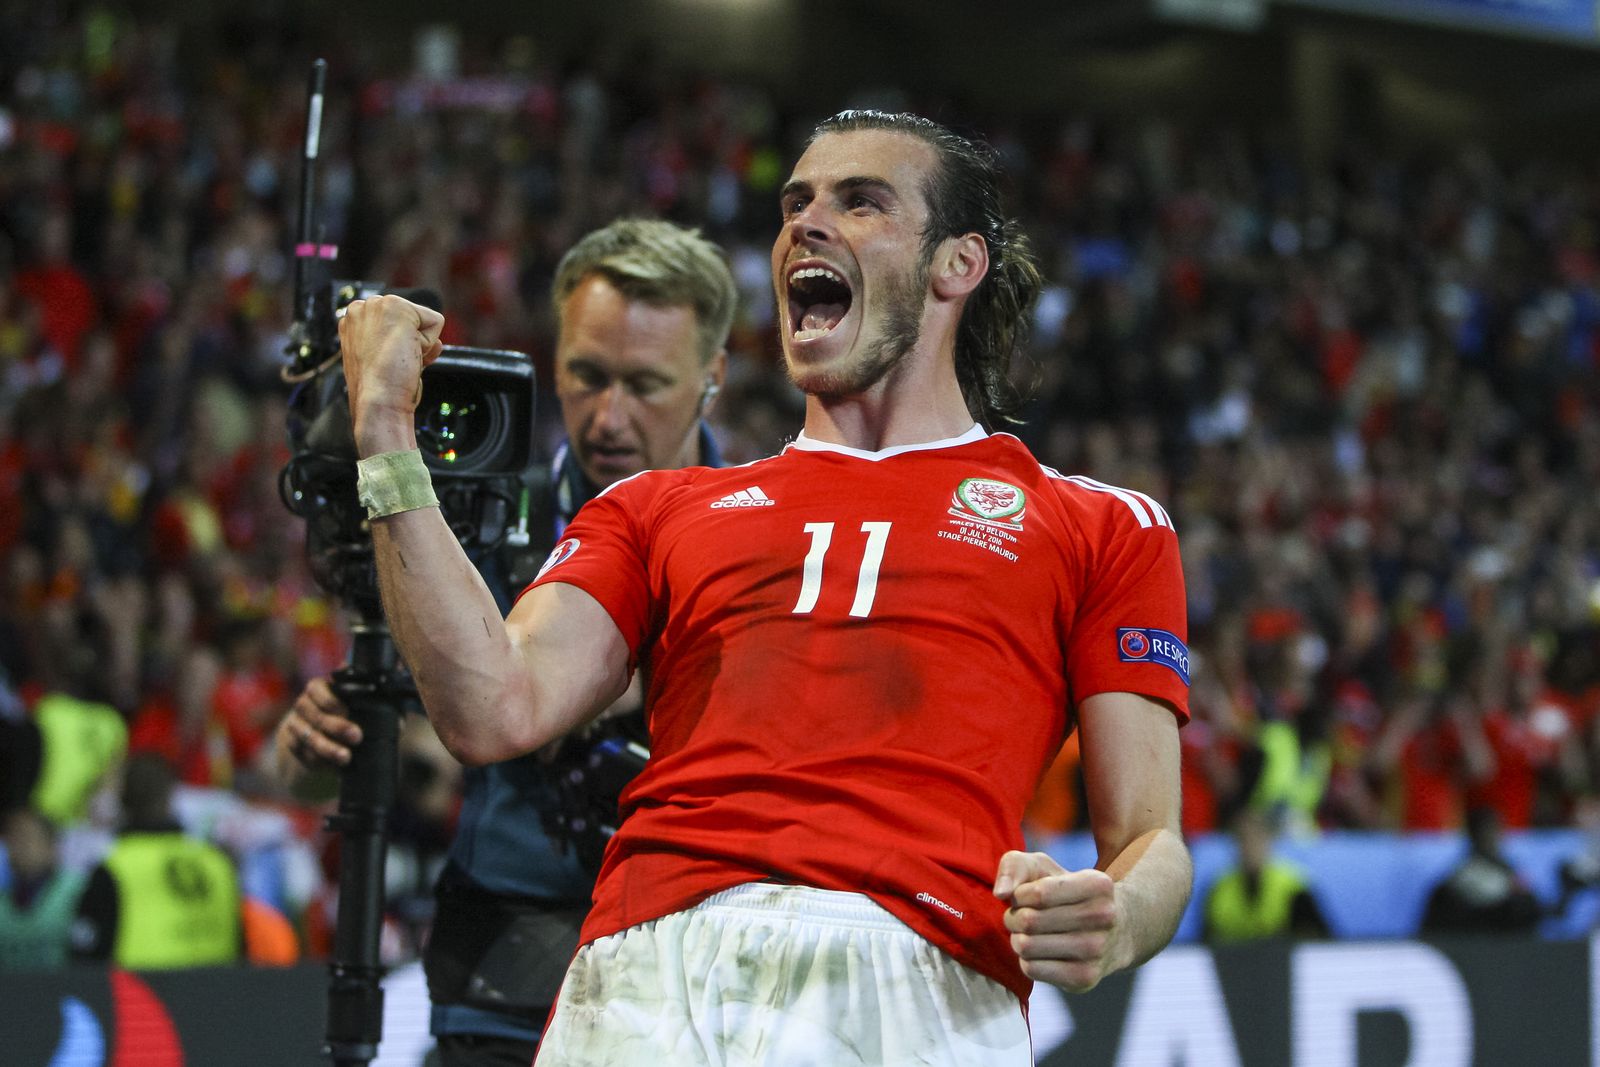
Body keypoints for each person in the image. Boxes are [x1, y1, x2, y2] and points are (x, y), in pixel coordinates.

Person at [337, 110, 1192, 1065]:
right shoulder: (659, 507)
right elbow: (491, 707)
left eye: (860, 201)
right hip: (645, 971)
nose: (806, 224)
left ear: (959, 264)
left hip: (916, 974)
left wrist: (1117, 918)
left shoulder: (1102, 526)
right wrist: (385, 437)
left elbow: (1151, 837)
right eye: (796, 203)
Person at [273, 218, 735, 1066]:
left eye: (647, 383)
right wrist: (314, 744)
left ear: (712, 377)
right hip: (499, 987)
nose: (610, 416)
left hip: (696, 989)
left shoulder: (769, 542)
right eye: (586, 376)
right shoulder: (468, 518)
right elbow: (312, 771)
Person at [71, 752, 242, 969]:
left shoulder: (114, 867)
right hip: (217, 994)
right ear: (170, 797)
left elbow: (87, 957)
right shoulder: (216, 863)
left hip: (142, 997)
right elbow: (239, 944)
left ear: (122, 800)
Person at [1202, 807, 1328, 944]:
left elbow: (1316, 941)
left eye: (1256, 838)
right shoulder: (1219, 889)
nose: (1249, 847)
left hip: (1281, 960)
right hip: (1233, 961)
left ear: (1269, 841)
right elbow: (1206, 941)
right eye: (1242, 840)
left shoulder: (1294, 887)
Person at [1420, 805, 1542, 936]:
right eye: (1488, 830)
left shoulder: (1510, 872)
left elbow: (1535, 914)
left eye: (1498, 830)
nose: (1495, 837)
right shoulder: (1455, 881)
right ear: (1473, 834)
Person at [0, 806, 87, 971]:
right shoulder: (3, 898)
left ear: (51, 846)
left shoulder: (78, 890)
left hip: (65, 988)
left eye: (28, 838)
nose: (20, 847)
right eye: (13, 839)